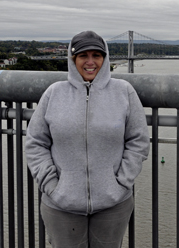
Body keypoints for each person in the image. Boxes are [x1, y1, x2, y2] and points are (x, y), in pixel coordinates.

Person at [25, 30, 150, 248]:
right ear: (73, 60)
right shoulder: (54, 93)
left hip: (113, 204)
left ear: (105, 58)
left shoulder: (124, 92)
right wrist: (52, 185)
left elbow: (138, 140)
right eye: (83, 56)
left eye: (97, 55)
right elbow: (36, 142)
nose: (90, 62)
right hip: (61, 205)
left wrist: (120, 183)